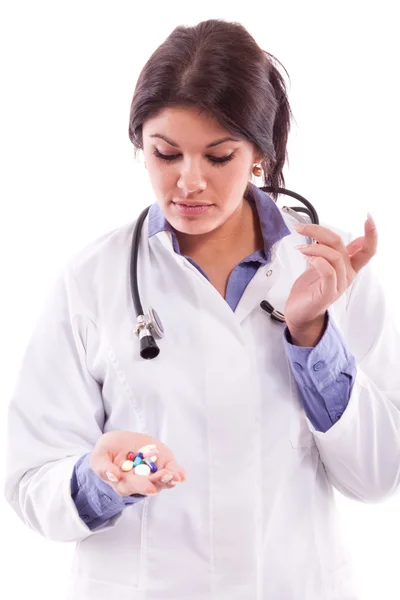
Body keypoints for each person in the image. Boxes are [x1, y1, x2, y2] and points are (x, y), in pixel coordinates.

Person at [4, 17, 400, 600]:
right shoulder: (91, 281)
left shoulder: (327, 267)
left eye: (218, 157)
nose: (189, 182)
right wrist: (102, 478)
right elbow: (31, 480)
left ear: (260, 155)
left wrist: (312, 334)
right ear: (141, 143)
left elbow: (377, 475)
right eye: (167, 154)